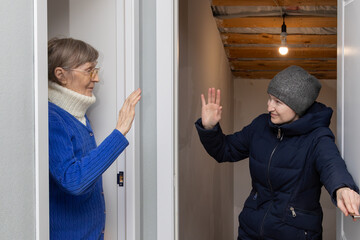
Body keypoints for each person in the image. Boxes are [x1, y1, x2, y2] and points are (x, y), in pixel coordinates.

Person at [195, 65, 360, 239]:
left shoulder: (317, 137)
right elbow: (225, 150)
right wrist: (210, 127)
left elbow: (331, 164)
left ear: (298, 106)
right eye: (269, 98)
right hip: (251, 230)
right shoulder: (260, 126)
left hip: (294, 233)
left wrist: (342, 188)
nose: (269, 107)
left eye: (278, 102)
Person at [48, 37, 141, 239]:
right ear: (61, 75)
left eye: (95, 70)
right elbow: (73, 181)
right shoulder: (52, 119)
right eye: (89, 71)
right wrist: (119, 133)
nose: (96, 78)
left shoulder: (78, 116)